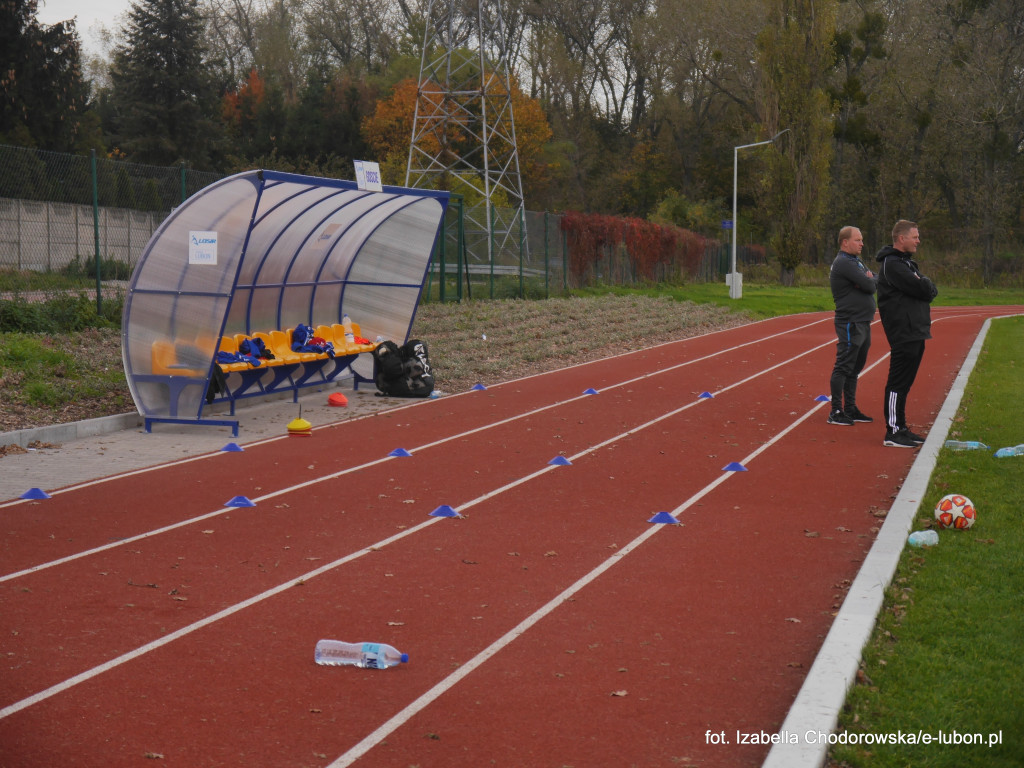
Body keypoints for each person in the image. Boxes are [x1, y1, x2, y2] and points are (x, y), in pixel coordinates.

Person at [875, 220, 938, 448]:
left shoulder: (906, 264)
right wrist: (925, 285)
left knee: (905, 383)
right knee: (898, 382)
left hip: (916, 330)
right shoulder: (892, 265)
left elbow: (929, 289)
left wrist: (926, 284)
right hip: (903, 331)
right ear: (901, 238)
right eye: (915, 237)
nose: (918, 241)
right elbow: (922, 289)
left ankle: (901, 427)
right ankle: (892, 431)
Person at [827, 226, 877, 426]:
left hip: (863, 321)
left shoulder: (855, 261)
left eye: (862, 239)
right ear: (845, 242)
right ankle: (836, 410)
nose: (862, 243)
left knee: (856, 367)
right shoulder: (843, 263)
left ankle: (850, 407)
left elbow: (874, 279)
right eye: (858, 240)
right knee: (844, 365)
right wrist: (869, 281)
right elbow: (869, 285)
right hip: (850, 321)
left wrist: (870, 280)